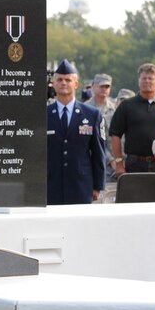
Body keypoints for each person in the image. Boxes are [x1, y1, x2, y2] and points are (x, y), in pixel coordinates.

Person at [46, 60, 104, 205]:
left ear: (76, 84)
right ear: (53, 84)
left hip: (82, 185)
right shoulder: (44, 114)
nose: (63, 83)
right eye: (59, 79)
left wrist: (98, 186)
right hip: (51, 184)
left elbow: (98, 152)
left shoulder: (92, 114)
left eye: (68, 80)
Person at [109, 63, 155, 176]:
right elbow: (115, 135)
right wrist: (119, 164)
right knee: (136, 194)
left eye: (150, 78)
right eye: (144, 78)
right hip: (134, 164)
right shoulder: (127, 105)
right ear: (138, 81)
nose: (147, 81)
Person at [83, 73, 117, 190]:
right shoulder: (85, 108)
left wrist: (117, 159)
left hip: (114, 165)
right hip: (93, 161)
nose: (104, 89)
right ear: (93, 87)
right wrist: (110, 159)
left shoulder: (115, 108)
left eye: (107, 87)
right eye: (101, 86)